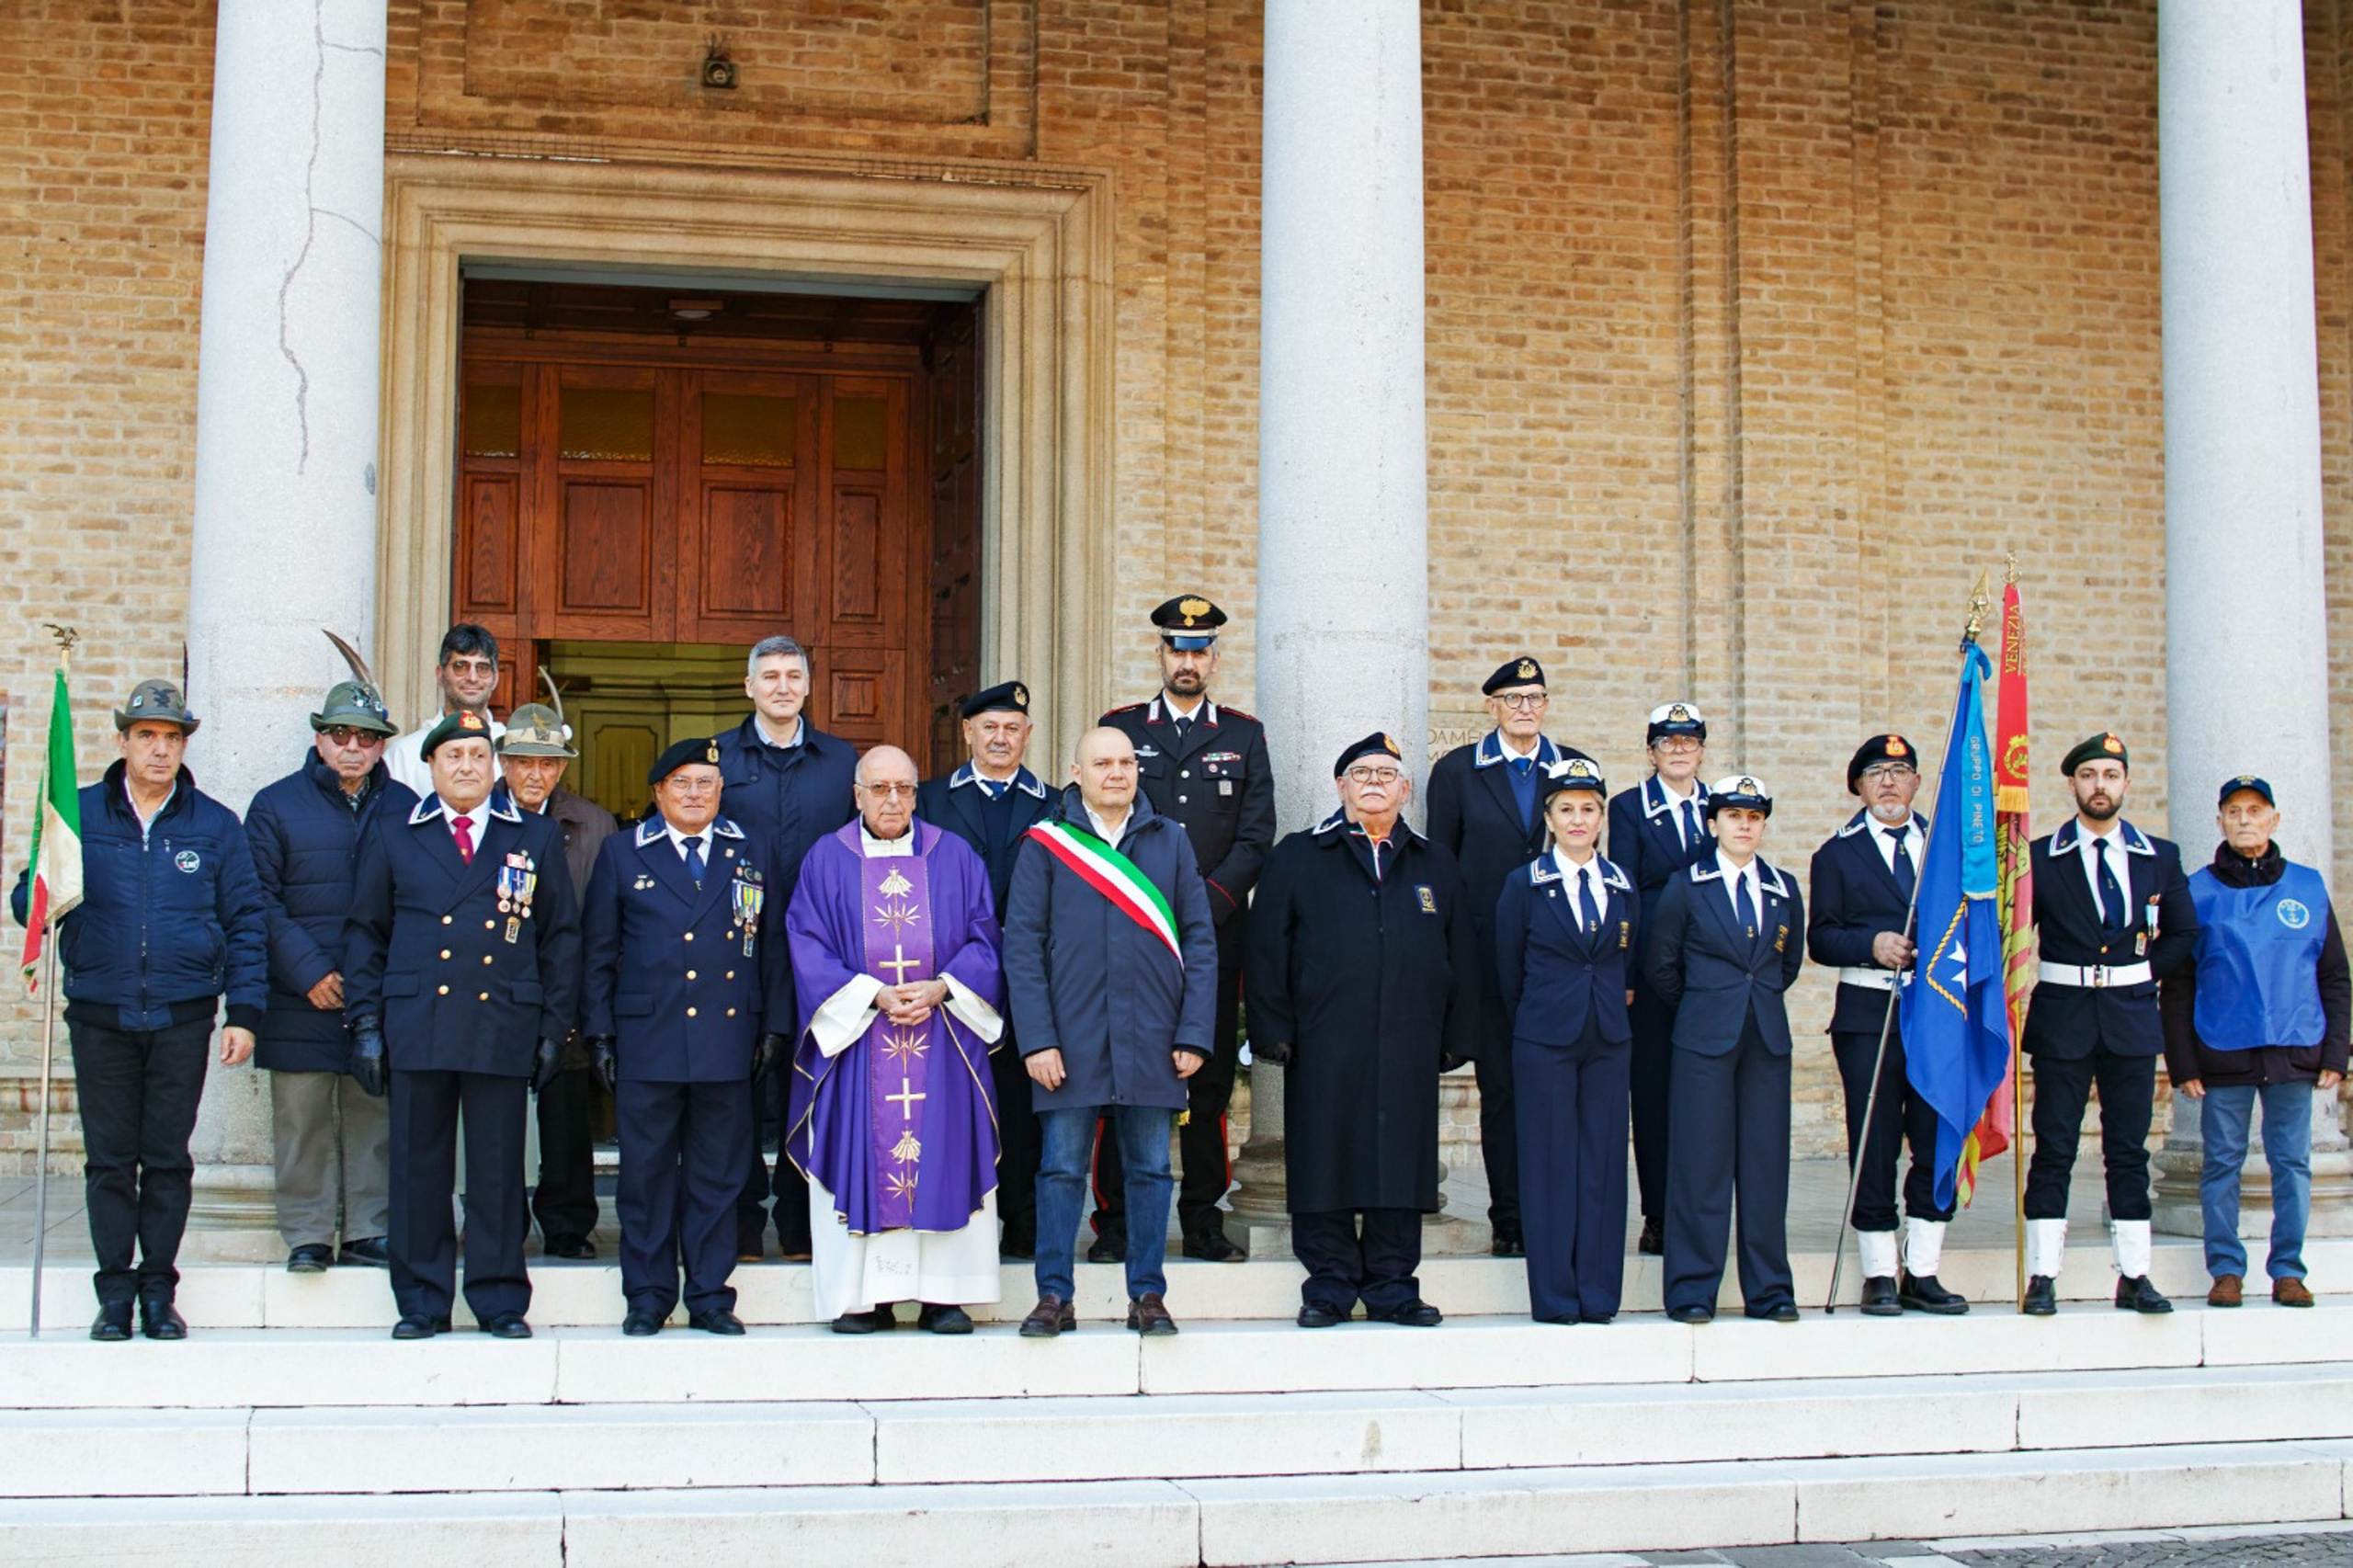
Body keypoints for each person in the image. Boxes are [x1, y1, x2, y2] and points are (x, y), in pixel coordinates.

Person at [11, 680, 266, 1342]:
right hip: (101, 1012)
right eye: (147, 736)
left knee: (168, 1157)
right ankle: (114, 1293)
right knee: (109, 1159)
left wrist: (243, 1011)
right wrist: (44, 878)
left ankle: (158, 1289)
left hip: (182, 1014)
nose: (160, 750)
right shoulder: (79, 814)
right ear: (123, 740)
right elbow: (26, 905)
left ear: (184, 746)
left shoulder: (213, 825)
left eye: (172, 738)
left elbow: (245, 922)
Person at [343, 708, 582, 1341]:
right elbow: (366, 933)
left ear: (495, 766)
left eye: (479, 756)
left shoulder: (529, 836)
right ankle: (421, 1301)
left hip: (502, 1019)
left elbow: (560, 939)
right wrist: (365, 1022)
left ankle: (500, 1298)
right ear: (431, 767)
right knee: (419, 1170)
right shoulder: (396, 832)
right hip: (418, 1019)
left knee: (498, 1172)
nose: (468, 767)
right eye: (455, 757)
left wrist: (554, 1029)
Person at [1248, 733, 1474, 1329]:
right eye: (1361, 772)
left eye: (1386, 774)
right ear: (1341, 786)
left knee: (1400, 1160)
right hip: (1324, 1040)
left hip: (1408, 1039)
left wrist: (1455, 1033)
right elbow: (1267, 947)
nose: (1374, 781)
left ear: (1405, 790)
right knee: (1325, 1156)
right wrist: (1274, 1028)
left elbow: (1462, 953)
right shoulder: (1299, 856)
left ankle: (1394, 1284)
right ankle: (1328, 1284)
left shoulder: (1435, 863)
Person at [1004, 727, 1217, 1338]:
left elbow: (1200, 941)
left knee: (1150, 1170)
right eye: (1103, 763)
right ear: (1077, 770)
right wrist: (1037, 1039)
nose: (1117, 772)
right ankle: (1053, 1295)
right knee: (1061, 1169)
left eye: (1126, 762)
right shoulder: (1046, 845)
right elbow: (1021, 946)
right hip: (1069, 1039)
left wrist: (1195, 1033)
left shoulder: (1170, 841)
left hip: (1153, 1036)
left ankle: (1147, 1293)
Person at [784, 744, 1006, 1334]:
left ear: (916, 793)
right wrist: (870, 995)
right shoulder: (826, 861)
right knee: (862, 1148)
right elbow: (805, 942)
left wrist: (942, 988)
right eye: (879, 788)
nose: (892, 800)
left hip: (943, 1040)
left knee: (945, 1152)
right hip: (859, 1042)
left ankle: (944, 1297)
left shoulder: (954, 857)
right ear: (856, 794)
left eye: (904, 788)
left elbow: (986, 938)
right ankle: (866, 1298)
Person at [580, 738, 790, 1336]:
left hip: (728, 1040)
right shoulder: (624, 853)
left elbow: (773, 947)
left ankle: (709, 1295)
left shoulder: (750, 851)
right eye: (682, 783)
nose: (695, 794)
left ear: (720, 792)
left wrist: (774, 1024)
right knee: (645, 1176)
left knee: (718, 1177)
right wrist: (597, 1033)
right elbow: (599, 953)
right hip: (648, 1038)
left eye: (705, 783)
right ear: (658, 793)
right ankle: (647, 1297)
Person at [1097, 595, 1275, 1264]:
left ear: (1215, 660)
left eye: (1200, 651)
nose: (1189, 661)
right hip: (1129, 939)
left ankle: (1202, 1216)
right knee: (1120, 1074)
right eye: (1178, 648)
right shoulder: (1119, 730)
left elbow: (1255, 838)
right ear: (1161, 654)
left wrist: (1203, 908)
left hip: (1212, 941)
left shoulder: (1243, 736)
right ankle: (1115, 1221)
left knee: (1207, 1083)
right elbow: (1097, 825)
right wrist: (1143, 909)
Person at [2020, 733, 2200, 1317]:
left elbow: (2185, 934)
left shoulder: (2160, 856)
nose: (2101, 785)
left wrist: (2142, 969)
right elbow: (2017, 936)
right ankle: (2043, 1274)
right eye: (2090, 775)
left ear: (2126, 783)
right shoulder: (2039, 855)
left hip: (2128, 1018)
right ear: (2073, 784)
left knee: (2127, 1150)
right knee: (2055, 1147)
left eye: (2111, 775)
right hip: (2064, 1017)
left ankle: (2135, 1274)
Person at [244, 665, 415, 1274]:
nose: (352, 746)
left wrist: (383, 982)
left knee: (375, 1119)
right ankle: (308, 1234)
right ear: (319, 739)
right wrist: (309, 970)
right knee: (302, 1120)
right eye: (340, 734)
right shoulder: (274, 806)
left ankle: (369, 1229)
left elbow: (419, 901)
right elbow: (255, 901)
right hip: (298, 995)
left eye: (365, 736)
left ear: (381, 745)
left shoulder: (407, 807)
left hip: (379, 996)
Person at [1426, 656, 1592, 1258]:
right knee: (1502, 1092)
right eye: (1514, 698)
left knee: (1565, 1091)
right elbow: (1440, 867)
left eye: (1537, 697)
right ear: (1492, 706)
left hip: (1561, 958)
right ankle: (1512, 1218)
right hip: (1488, 958)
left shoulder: (1576, 768)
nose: (1527, 708)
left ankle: (1561, 1210)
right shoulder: (1458, 772)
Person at [2162, 775, 2345, 1310]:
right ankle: (2225, 1269)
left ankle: (2288, 1269)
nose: (2245, 820)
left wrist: (2337, 1051)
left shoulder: (2308, 887)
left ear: (2274, 819)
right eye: (2234, 811)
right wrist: (2182, 1062)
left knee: (2293, 1163)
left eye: (2255, 810)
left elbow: (2334, 974)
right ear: (2220, 821)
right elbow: (2178, 985)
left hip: (2294, 1048)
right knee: (2221, 1162)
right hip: (2223, 1051)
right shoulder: (2196, 891)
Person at [1804, 734, 1967, 1316]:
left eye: (1901, 771)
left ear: (1918, 783)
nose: (1890, 783)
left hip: (1937, 1013)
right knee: (1873, 1144)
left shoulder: (1948, 848)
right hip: (1870, 1014)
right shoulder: (1836, 855)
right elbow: (1820, 938)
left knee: (1933, 1134)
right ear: (1859, 786)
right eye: (1877, 773)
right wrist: (1870, 944)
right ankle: (1878, 1269)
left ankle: (1922, 1267)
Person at [714, 633, 858, 1262]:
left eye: (792, 676)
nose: (780, 686)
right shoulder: (718, 759)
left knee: (815, 1078)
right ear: (749, 687)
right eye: (768, 676)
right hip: (737, 948)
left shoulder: (840, 761)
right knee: (738, 1086)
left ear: (807, 686)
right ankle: (743, 1222)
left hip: (822, 951)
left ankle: (802, 1223)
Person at [1645, 774, 1805, 1325]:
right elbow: (1661, 966)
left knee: (1765, 1169)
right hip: (1703, 1039)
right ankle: (1692, 1289)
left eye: (1754, 817)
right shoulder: (1687, 885)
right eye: (1733, 816)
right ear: (1713, 824)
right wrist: (1707, 1004)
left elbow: (1786, 966)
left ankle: (1769, 1290)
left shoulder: (1783, 887)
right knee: (1700, 1166)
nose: (1744, 825)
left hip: (1764, 1040)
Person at [1494, 757, 1637, 1324]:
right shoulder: (1524, 883)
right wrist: (1540, 1017)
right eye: (1566, 809)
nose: (1579, 820)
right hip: (1545, 1038)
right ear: (1549, 819)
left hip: (1608, 1037)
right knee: (1551, 1165)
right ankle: (1555, 1297)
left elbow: (1630, 959)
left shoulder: (1621, 885)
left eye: (1589, 809)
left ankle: (1599, 1295)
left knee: (1602, 1166)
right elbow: (1509, 970)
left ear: (1602, 817)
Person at [916, 680, 1054, 1259]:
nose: (1001, 738)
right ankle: (950, 1221)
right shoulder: (930, 800)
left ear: (1028, 735)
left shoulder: (1057, 804)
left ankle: (1022, 1224)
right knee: (951, 1100)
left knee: (1023, 1107)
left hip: (1029, 980)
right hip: (950, 979)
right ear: (967, 732)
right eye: (989, 727)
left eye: (1012, 728)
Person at [494, 678, 620, 1261]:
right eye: (523, 762)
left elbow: (607, 918)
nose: (535, 775)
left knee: (567, 1114)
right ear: (504, 763)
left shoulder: (594, 826)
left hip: (567, 988)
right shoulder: (478, 814)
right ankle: (497, 1221)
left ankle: (568, 1224)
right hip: (495, 987)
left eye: (547, 763)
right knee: (495, 1118)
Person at [1606, 701, 1711, 1256]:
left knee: (1707, 1097)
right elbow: (1624, 894)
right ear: (1650, 750)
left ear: (1700, 749)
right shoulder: (1628, 809)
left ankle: (1699, 1210)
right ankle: (1659, 1215)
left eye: (1688, 740)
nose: (1678, 748)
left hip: (1711, 973)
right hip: (1651, 971)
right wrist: (1625, 972)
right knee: (1652, 1094)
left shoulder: (1723, 808)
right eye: (1667, 741)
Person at [384, 623, 506, 796]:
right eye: (460, 666)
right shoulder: (403, 756)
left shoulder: (511, 749)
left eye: (482, 668)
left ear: (495, 679)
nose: (472, 678)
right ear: (440, 675)